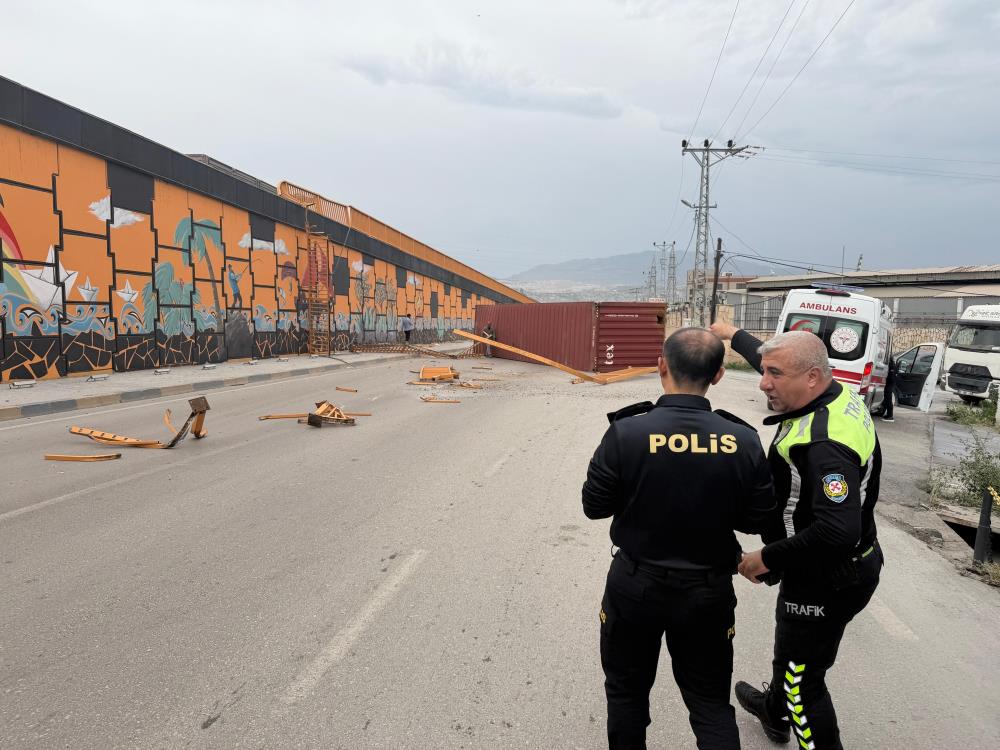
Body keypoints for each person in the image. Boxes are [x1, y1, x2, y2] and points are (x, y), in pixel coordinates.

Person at [582, 327, 776, 750]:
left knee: (626, 696)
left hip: (634, 587)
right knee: (710, 705)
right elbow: (759, 517)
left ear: (661, 366)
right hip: (707, 592)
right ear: (720, 375)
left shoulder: (627, 432)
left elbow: (594, 506)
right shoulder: (743, 439)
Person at [710, 323, 883, 750]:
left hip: (825, 577)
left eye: (774, 375)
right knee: (793, 660)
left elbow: (837, 531)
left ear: (811, 377)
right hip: (837, 564)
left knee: (801, 683)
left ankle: (790, 712)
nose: (764, 383)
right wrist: (734, 334)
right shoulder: (828, 385)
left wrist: (766, 558)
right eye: (763, 370)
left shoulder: (825, 446)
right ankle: (773, 713)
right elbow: (778, 360)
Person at [878, 355, 898, 422]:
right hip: (890, 384)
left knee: (888, 399)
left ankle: (890, 416)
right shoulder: (893, 364)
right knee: (887, 399)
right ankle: (886, 414)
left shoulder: (891, 365)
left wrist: (885, 379)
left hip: (889, 384)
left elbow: (891, 377)